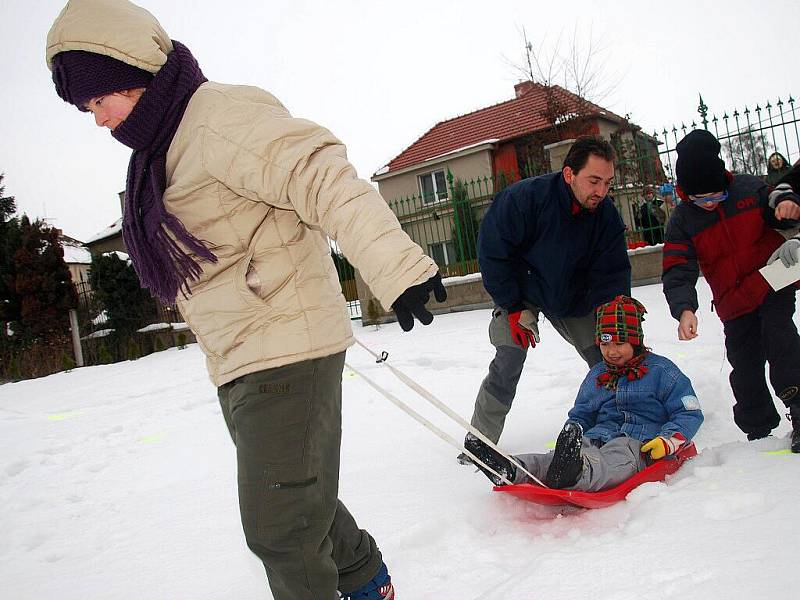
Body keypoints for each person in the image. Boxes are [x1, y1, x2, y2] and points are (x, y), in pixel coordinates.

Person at [46, 1, 448, 598]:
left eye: (98, 103)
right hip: (240, 353)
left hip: (287, 345)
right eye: (88, 112)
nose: (99, 121)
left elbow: (322, 176)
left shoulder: (218, 119)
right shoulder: (162, 151)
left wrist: (398, 267)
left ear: (127, 73)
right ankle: (366, 582)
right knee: (298, 495)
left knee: (280, 525)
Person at [460, 136, 631, 465]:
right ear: (569, 174)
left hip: (574, 297)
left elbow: (613, 275)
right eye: (593, 181)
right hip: (522, 294)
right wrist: (512, 307)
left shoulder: (605, 216)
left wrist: (617, 322)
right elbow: (493, 252)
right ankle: (478, 444)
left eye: (608, 183)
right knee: (508, 360)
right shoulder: (525, 200)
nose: (601, 191)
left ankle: (623, 427)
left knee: (610, 359)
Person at [473, 295, 703, 491]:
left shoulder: (662, 371)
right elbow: (582, 413)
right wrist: (574, 433)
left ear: (636, 341)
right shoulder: (598, 374)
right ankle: (512, 468)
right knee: (554, 458)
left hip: (640, 444)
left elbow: (689, 413)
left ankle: (575, 474)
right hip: (596, 437)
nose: (611, 352)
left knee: (614, 461)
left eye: (619, 344)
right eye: (604, 344)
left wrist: (667, 441)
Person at [662, 129, 800, 453]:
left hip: (772, 282)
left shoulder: (749, 189)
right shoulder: (683, 220)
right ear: (686, 194)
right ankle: (758, 431)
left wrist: (784, 208)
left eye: (716, 196)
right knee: (745, 364)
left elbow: (777, 205)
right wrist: (685, 309)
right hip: (733, 302)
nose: (709, 204)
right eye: (700, 199)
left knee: (782, 340)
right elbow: (677, 269)